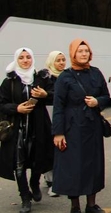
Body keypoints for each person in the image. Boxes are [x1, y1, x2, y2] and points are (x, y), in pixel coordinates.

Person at [52, 39, 110, 213]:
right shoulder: (65, 77)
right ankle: (75, 206)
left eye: (86, 51)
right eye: (80, 51)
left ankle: (91, 204)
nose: (84, 54)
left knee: (93, 165)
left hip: (92, 126)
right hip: (73, 127)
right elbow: (58, 106)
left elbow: (106, 96)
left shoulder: (96, 73)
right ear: (73, 54)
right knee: (74, 166)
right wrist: (58, 133)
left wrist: (97, 102)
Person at [0, 48, 53, 213]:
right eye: (21, 58)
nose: (25, 60)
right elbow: (1, 104)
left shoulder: (41, 78)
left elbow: (56, 96)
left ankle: (34, 183)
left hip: (38, 127)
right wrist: (17, 108)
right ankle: (24, 197)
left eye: (28, 57)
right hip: (17, 129)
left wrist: (45, 94)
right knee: (18, 164)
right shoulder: (10, 81)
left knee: (38, 159)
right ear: (16, 60)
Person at [40, 50, 65, 198]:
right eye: (58, 60)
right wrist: (47, 95)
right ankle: (51, 180)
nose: (61, 63)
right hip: (48, 115)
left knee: (61, 147)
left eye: (63, 60)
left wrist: (48, 94)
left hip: (63, 115)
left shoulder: (67, 76)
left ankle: (58, 179)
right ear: (51, 62)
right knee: (49, 147)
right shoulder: (45, 76)